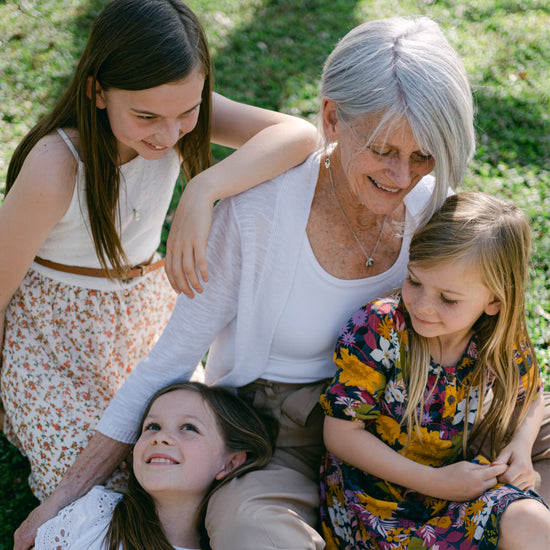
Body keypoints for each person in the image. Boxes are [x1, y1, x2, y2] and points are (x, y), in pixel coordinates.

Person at [15, 15, 546, 550]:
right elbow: (169, 359)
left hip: (424, 409)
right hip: (280, 426)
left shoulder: (432, 202)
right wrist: (60, 501)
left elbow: (500, 331)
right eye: (383, 151)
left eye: (422, 155)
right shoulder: (256, 215)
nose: (403, 176)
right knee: (252, 532)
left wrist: (518, 442)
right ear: (333, 119)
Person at [0, 0, 318, 502]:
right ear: (97, 92)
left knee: (199, 459)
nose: (169, 134)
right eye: (146, 116)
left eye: (187, 113)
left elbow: (301, 136)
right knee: (106, 483)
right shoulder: (56, 165)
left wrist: (202, 190)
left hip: (140, 322)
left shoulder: (174, 116)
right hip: (52, 340)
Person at [319, 192, 550, 550]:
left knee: (533, 523)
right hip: (373, 512)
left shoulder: (495, 338)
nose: (423, 306)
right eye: (414, 281)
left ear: (494, 301)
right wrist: (435, 481)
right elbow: (340, 434)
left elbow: (531, 394)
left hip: (453, 495)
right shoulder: (382, 326)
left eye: (448, 299)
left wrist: (521, 448)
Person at [33, 380, 277, 550]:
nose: (160, 437)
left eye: (189, 428)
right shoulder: (93, 515)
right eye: (152, 427)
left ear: (230, 462)